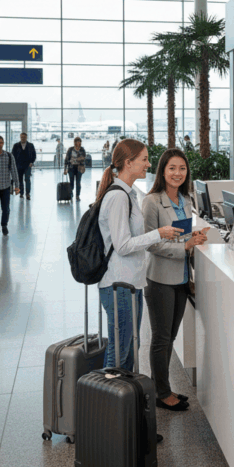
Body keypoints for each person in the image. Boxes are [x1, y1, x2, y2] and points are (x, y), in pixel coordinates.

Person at [96, 139, 180, 372]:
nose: (148, 164)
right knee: (120, 354)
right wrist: (158, 234)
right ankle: (109, 393)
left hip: (130, 283)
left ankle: (123, 393)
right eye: (144, 159)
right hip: (119, 285)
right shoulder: (118, 197)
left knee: (129, 350)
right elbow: (122, 246)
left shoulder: (128, 194)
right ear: (128, 163)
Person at [143, 148, 209, 411]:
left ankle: (162, 387)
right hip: (160, 279)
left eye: (182, 168)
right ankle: (161, 393)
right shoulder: (152, 202)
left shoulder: (186, 199)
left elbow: (180, 235)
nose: (177, 173)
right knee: (161, 338)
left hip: (181, 278)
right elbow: (151, 243)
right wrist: (185, 246)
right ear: (162, 171)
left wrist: (194, 237)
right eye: (172, 168)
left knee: (170, 336)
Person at [11, 132, 36, 200]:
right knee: (20, 180)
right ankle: (21, 193)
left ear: (26, 138)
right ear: (20, 137)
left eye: (24, 137)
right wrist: (14, 164)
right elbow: (12, 155)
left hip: (28, 165)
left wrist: (32, 162)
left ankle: (28, 194)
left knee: (27, 179)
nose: (23, 138)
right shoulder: (16, 145)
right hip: (19, 166)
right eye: (22, 137)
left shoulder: (31, 145)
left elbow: (34, 155)